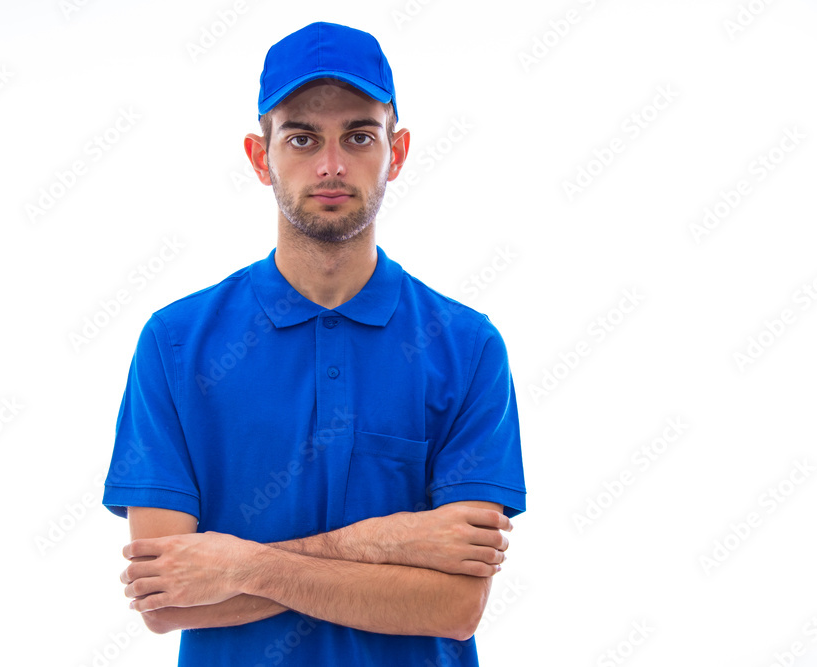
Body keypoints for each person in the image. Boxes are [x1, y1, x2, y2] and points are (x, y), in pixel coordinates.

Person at [102, 20, 527, 666]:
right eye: (302, 137)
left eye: (359, 136)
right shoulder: (176, 344)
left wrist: (240, 564)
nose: (331, 165)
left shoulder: (467, 347)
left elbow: (454, 605)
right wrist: (395, 541)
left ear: (399, 151)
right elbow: (168, 601)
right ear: (258, 156)